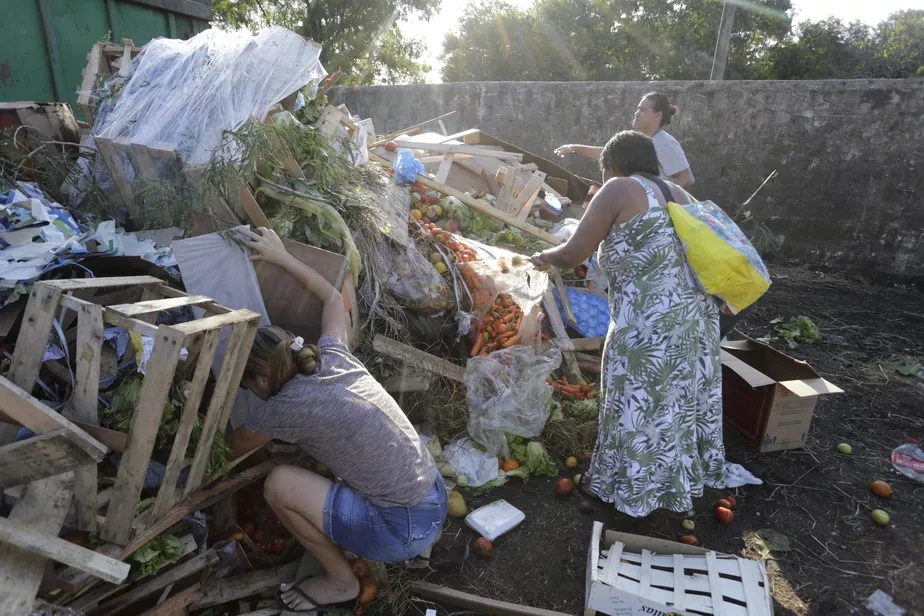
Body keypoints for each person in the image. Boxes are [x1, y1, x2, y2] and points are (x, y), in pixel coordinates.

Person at [228, 228, 447, 613]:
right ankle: (417, 548)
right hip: (434, 498)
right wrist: (279, 255)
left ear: (262, 380)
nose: (251, 393)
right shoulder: (334, 356)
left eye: (249, 386)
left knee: (279, 484)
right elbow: (332, 296)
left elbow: (230, 450)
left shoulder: (284, 408)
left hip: (402, 531)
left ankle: (339, 581)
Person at [531, 131, 724, 517]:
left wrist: (542, 256)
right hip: (696, 321)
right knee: (674, 408)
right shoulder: (679, 194)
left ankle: (625, 494)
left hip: (648, 323)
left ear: (611, 164)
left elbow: (573, 253)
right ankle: (671, 491)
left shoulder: (618, 187)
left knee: (632, 404)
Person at [555, 92, 695, 188]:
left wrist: (658, 195)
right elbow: (608, 153)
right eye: (637, 109)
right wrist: (574, 148)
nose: (636, 114)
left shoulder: (666, 143)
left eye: (642, 110)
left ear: (657, 115)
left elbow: (687, 178)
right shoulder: (638, 140)